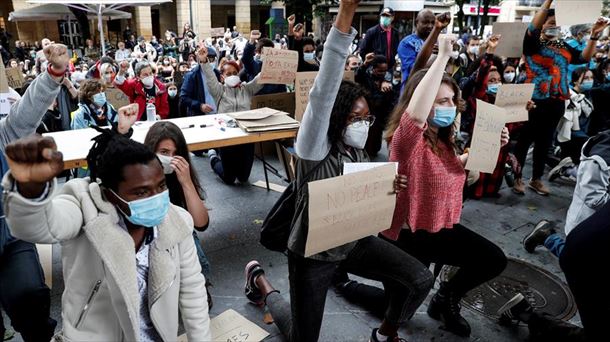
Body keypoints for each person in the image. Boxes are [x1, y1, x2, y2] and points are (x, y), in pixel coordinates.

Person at [244, 2, 434, 342]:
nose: (362, 124)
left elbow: (361, 188)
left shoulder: (358, 149)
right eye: (354, 118)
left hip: (353, 242)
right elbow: (323, 90)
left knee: (419, 279)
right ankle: (262, 283)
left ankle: (385, 331)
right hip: (312, 255)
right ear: (336, 119)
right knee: (305, 337)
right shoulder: (314, 147)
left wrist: (387, 185)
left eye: (366, 118)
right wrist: (347, 11)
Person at [2, 116, 211, 340]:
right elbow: (40, 227)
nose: (156, 198)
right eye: (141, 192)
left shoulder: (177, 222)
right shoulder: (83, 207)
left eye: (160, 186)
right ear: (110, 193)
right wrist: (32, 193)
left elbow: (193, 294)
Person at [383, 34, 509, 337]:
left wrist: (487, 147)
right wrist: (441, 58)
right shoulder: (405, 140)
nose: (450, 106)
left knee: (493, 259)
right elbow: (414, 117)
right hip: (408, 235)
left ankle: (447, 296)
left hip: (440, 227)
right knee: (396, 308)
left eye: (452, 100)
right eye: (441, 101)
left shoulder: (444, 139)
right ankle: (345, 283)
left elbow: (453, 175)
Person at [0, 43, 69, 342]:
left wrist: (53, 74)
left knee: (29, 294)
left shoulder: (3, 133)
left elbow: (24, 116)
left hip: (10, 234)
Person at [513, 0, 608, 196]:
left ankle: (536, 179)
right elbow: (533, 26)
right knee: (525, 139)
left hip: (557, 101)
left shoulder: (562, 45)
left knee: (545, 141)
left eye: (557, 22)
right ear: (542, 24)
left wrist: (594, 35)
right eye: (550, 22)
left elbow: (584, 57)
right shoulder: (532, 43)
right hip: (533, 101)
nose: (554, 25)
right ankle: (516, 176)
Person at [143, 121, 213, 307]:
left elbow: (201, 223)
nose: (171, 159)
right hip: (148, 233)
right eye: (164, 153)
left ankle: (199, 283)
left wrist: (187, 182)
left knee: (187, 235)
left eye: (176, 154)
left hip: (177, 233)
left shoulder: (180, 175)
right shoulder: (140, 175)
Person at [198, 47, 264, 185]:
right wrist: (203, 61)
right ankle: (214, 159)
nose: (232, 75)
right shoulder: (219, 91)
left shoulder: (247, 89)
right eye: (228, 74)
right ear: (222, 77)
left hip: (246, 137)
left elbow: (261, 78)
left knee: (243, 178)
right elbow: (210, 79)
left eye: (235, 73)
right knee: (229, 178)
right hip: (227, 138)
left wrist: (271, 63)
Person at [550, 67, 594, 182]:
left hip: (581, 132)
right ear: (575, 81)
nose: (589, 81)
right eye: (585, 78)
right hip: (569, 133)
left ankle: (567, 167)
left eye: (591, 78)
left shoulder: (588, 95)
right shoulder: (569, 96)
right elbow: (566, 123)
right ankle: (567, 168)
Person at [355, 53, 397, 157]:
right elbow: (358, 75)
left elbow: (391, 101)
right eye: (380, 70)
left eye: (385, 70)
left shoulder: (387, 82)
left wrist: (387, 90)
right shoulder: (367, 78)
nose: (382, 73)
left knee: (375, 145)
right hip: (367, 113)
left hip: (379, 117)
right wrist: (365, 64)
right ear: (373, 69)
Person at [397, 9, 436, 87]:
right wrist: (433, 55)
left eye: (433, 23)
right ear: (416, 23)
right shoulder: (407, 43)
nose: (430, 26)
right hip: (412, 89)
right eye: (426, 22)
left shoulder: (437, 41)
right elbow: (413, 70)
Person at [242, 30, 286, 95]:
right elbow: (246, 59)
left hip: (274, 102)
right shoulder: (254, 65)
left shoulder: (278, 68)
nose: (268, 54)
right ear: (258, 53)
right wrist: (251, 40)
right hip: (256, 101)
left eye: (271, 51)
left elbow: (282, 89)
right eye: (264, 52)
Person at [179, 48, 218, 117]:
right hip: (199, 115)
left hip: (218, 114)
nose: (209, 62)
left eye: (212, 60)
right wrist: (200, 105)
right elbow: (183, 98)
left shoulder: (217, 73)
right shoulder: (192, 75)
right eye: (207, 59)